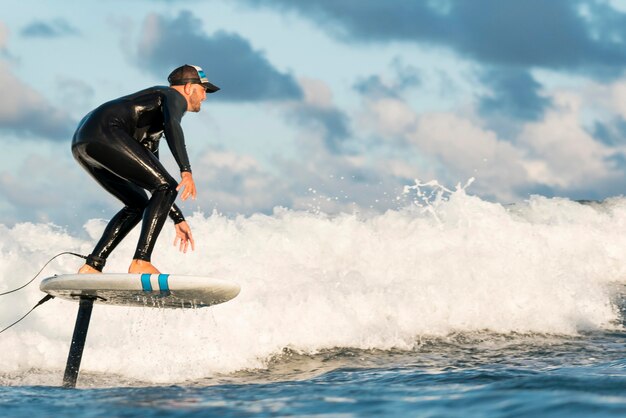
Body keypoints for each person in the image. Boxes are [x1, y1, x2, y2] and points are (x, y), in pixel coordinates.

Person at [71, 64, 220, 274]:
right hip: (105, 131)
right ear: (188, 88)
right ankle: (141, 261)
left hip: (84, 142)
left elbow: (155, 182)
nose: (205, 96)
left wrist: (177, 218)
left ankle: (92, 265)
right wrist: (186, 170)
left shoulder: (151, 122)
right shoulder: (171, 95)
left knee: (138, 203)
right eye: (204, 89)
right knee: (166, 187)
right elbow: (173, 126)